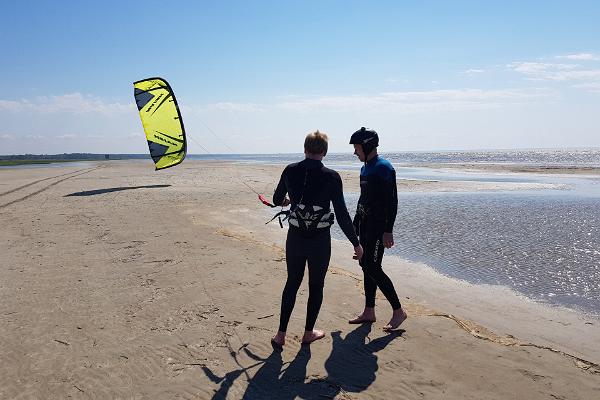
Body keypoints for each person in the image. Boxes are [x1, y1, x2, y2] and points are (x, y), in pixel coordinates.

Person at [271, 130, 364, 347]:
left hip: (295, 238)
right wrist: (356, 243)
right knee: (316, 285)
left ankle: (280, 335)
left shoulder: (290, 170)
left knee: (292, 283)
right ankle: (308, 332)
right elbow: (341, 213)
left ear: (305, 149)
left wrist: (287, 201)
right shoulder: (331, 177)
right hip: (319, 241)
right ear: (325, 152)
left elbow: (277, 199)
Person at [349, 127, 407, 331]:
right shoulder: (365, 168)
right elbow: (363, 198)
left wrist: (388, 230)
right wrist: (356, 223)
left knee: (373, 267)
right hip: (365, 226)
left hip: (378, 227)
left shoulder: (384, 168)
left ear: (367, 145)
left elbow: (393, 201)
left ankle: (398, 311)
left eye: (357, 147)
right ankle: (369, 311)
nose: (355, 152)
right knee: (365, 265)